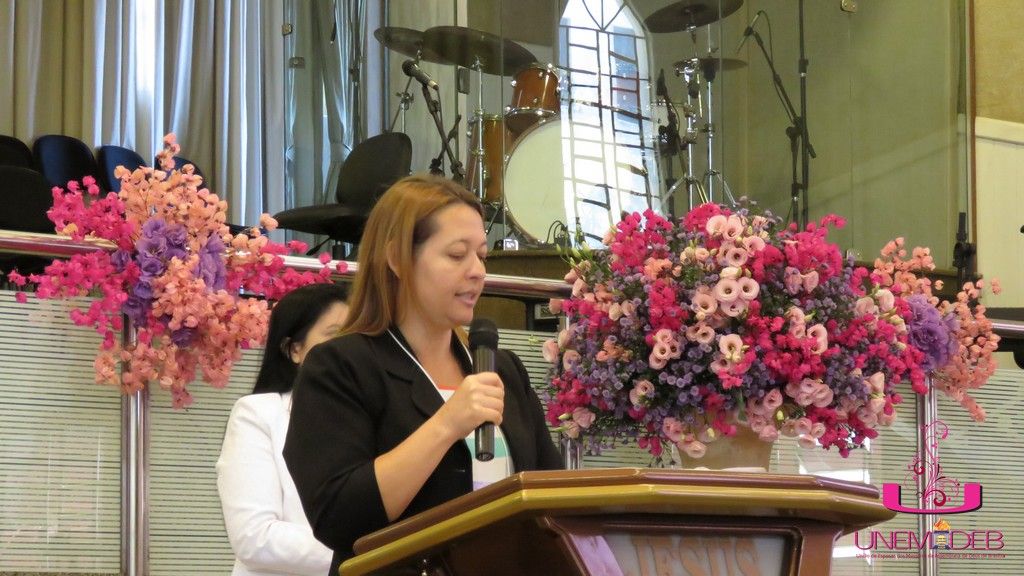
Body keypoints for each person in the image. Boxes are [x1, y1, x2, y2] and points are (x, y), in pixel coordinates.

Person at [283, 174, 562, 572]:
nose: (477, 271)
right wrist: (447, 424)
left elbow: (549, 496)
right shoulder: (341, 366)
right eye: (457, 255)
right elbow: (338, 517)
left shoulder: (502, 369)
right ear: (397, 258)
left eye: (481, 255)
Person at [217, 282, 349, 576]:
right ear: (295, 350)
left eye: (358, 335)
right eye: (336, 335)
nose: (351, 348)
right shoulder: (258, 414)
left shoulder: (372, 416)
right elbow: (255, 537)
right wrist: (365, 552)